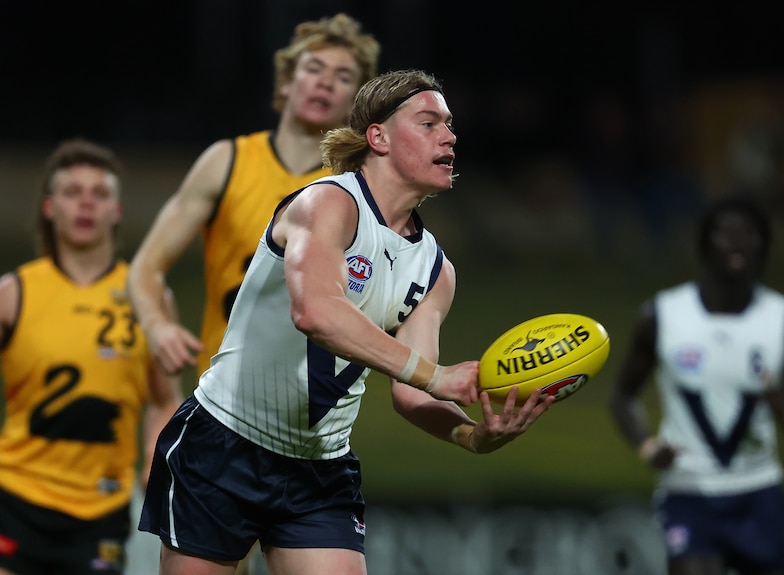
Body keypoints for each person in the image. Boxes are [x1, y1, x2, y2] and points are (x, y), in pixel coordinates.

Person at [138, 68, 554, 575]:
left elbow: (413, 390)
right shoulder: (327, 202)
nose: (450, 136)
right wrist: (438, 377)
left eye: (450, 126)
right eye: (429, 123)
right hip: (225, 444)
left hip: (321, 468)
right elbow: (315, 311)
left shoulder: (436, 271)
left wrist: (472, 436)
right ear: (377, 136)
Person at [127, 13, 382, 378]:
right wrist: (158, 328)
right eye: (314, 69)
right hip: (221, 401)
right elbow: (146, 268)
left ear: (356, 104)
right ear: (284, 83)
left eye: (343, 77)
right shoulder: (226, 162)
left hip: (306, 410)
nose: (325, 82)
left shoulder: (358, 187)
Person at [610, 194, 784, 575]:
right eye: (726, 231)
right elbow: (623, 397)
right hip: (690, 490)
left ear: (765, 246)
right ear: (704, 243)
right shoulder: (664, 315)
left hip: (759, 489)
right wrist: (647, 445)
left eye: (750, 233)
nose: (737, 241)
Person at [0, 139, 183, 574]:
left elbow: (164, 399)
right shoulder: (13, 294)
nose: (86, 203)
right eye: (72, 192)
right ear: (49, 207)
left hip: (101, 506)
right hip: (15, 495)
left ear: (116, 211)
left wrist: (155, 464)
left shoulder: (149, 300)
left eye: (99, 194)